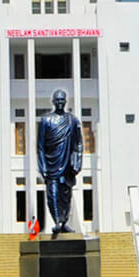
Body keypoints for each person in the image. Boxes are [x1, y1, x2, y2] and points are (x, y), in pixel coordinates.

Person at [36, 88, 83, 237]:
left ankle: (63, 222)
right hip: (52, 164)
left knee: (65, 196)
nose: (60, 103)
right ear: (53, 102)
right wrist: (43, 166)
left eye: (62, 100)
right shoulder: (46, 120)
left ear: (66, 101)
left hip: (67, 165)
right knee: (53, 195)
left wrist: (78, 161)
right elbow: (40, 146)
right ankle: (57, 221)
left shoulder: (72, 120)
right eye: (57, 100)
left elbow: (78, 143)